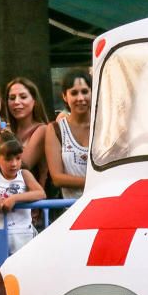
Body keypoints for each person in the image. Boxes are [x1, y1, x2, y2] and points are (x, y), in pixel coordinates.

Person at [45, 68, 91, 199]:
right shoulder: (56, 129)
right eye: (74, 93)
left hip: (104, 205)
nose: (80, 98)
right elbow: (57, 178)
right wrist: (96, 182)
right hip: (71, 209)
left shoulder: (104, 127)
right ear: (65, 96)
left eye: (85, 91)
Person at [5, 77, 50, 187]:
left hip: (36, 200)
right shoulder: (6, 130)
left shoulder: (42, 130)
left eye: (23, 97)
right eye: (12, 98)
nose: (16, 102)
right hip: (7, 197)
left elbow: (22, 166)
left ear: (34, 101)